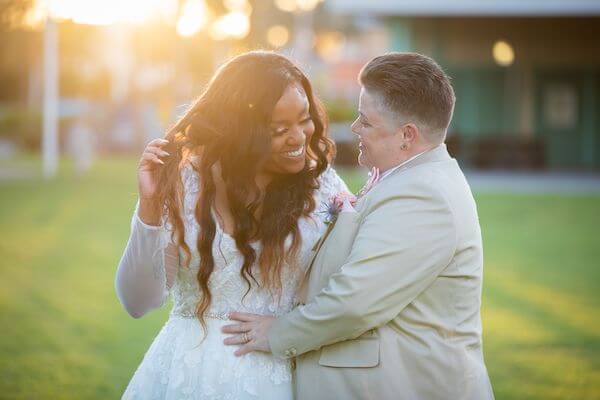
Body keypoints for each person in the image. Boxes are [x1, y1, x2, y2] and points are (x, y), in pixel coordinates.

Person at [223, 52, 495, 399]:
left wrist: (277, 333)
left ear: (406, 136)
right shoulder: (404, 178)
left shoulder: (423, 196)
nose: (354, 129)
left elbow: (355, 302)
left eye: (365, 121)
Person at [115, 51, 349, 399]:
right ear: (241, 132)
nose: (300, 137)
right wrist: (149, 207)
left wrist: (293, 328)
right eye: (279, 129)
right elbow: (138, 302)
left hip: (279, 376)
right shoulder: (182, 185)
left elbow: (350, 285)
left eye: (305, 119)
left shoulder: (323, 188)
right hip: (185, 375)